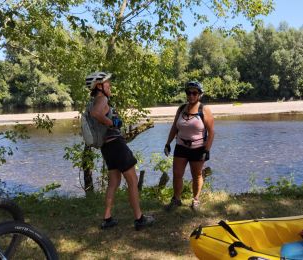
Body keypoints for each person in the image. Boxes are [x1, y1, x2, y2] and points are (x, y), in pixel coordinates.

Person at [85, 72, 155, 230]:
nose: (110, 85)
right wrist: (112, 123)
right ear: (99, 86)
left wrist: (110, 121)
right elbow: (97, 114)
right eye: (107, 83)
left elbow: (95, 113)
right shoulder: (102, 99)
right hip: (116, 144)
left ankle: (107, 218)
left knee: (114, 182)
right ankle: (139, 219)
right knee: (132, 181)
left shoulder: (93, 101)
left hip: (107, 148)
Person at [164, 81, 214, 211]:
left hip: (198, 148)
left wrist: (207, 150)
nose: (191, 95)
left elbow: (212, 132)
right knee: (177, 174)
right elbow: (174, 127)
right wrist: (168, 143)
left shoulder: (204, 110)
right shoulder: (181, 109)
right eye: (188, 92)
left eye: (194, 93)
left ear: (199, 95)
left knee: (197, 175)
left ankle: (196, 199)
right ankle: (176, 199)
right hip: (180, 146)